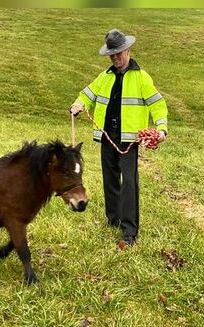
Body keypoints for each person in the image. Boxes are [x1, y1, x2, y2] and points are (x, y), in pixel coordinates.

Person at [69, 28, 168, 248]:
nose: (115, 58)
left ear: (127, 50)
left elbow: (157, 104)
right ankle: (113, 219)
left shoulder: (141, 77)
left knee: (128, 184)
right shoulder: (104, 77)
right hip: (107, 136)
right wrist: (79, 104)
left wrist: (161, 128)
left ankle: (129, 232)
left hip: (129, 140)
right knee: (110, 179)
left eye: (118, 53)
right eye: (112, 54)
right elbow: (87, 94)